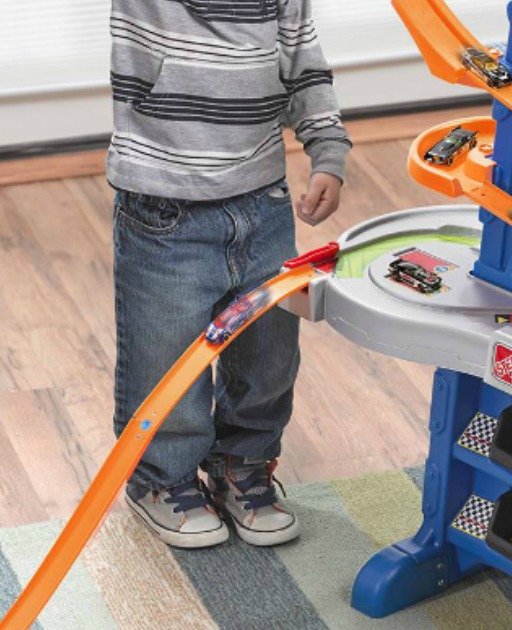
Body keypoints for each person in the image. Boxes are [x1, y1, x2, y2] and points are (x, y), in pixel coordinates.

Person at [108, 0, 350, 548]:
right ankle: (162, 478)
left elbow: (303, 65)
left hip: (263, 202)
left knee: (269, 352)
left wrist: (327, 151)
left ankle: (244, 462)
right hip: (164, 210)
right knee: (164, 354)